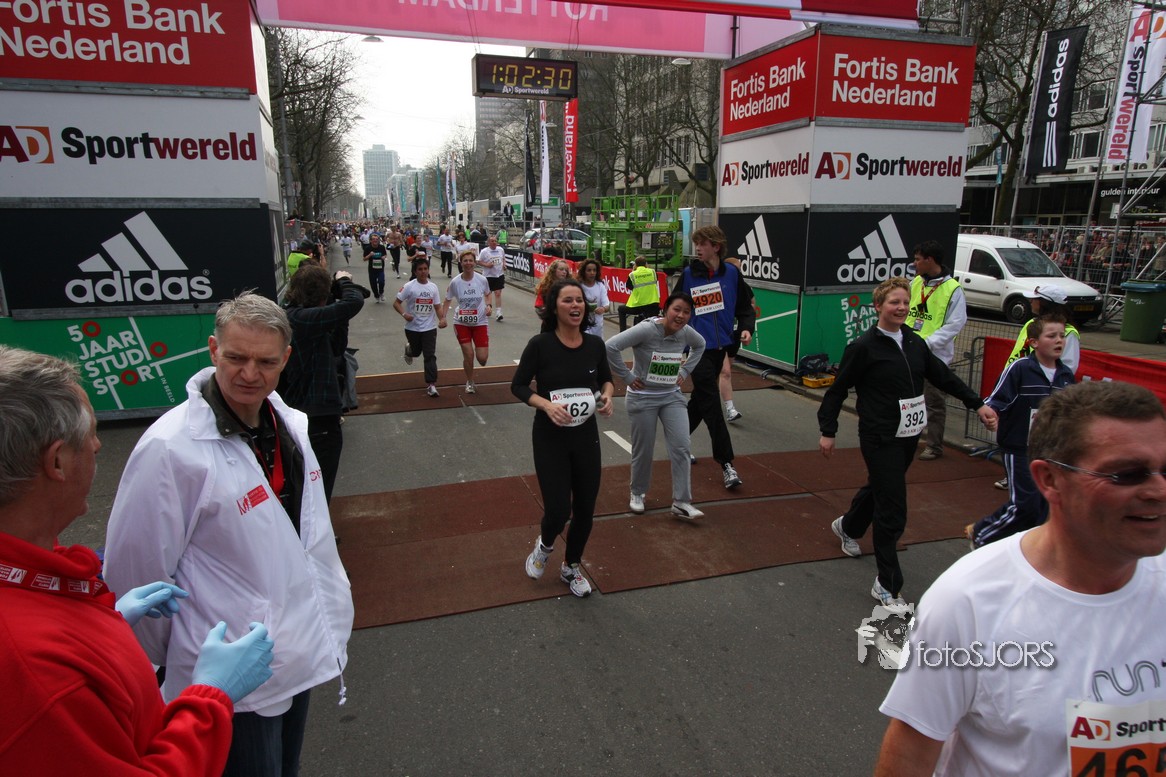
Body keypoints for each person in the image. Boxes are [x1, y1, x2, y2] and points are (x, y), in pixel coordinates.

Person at [102, 293, 354, 777]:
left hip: (297, 649)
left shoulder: (289, 423)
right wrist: (190, 655)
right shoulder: (170, 449)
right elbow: (137, 575)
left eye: (266, 362)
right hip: (229, 676)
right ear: (213, 349)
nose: (250, 374)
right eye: (236, 357)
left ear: (286, 358)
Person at [0, 346, 275, 776]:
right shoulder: (40, 673)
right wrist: (211, 694)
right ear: (56, 461)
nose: (98, 445)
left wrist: (102, 620)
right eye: (91, 434)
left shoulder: (32, 576)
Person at [874, 380, 1166, 777]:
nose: (1158, 490)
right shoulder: (966, 602)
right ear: (1049, 480)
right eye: (1127, 474)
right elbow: (909, 755)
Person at [818, 277, 997, 608]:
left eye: (905, 302)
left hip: (908, 435)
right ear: (878, 307)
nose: (901, 308)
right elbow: (837, 390)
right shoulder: (863, 347)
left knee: (882, 487)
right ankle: (887, 584)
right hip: (879, 436)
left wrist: (978, 403)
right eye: (894, 302)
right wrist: (828, 430)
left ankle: (848, 526)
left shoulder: (915, 342)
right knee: (893, 508)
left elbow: (943, 376)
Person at [512, 278, 615, 598]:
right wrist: (546, 405)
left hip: (586, 437)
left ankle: (571, 566)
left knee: (585, 509)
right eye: (568, 300)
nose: (575, 305)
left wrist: (607, 397)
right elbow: (518, 386)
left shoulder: (595, 345)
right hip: (550, 437)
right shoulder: (540, 345)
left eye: (579, 300)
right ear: (554, 307)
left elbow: (606, 380)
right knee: (558, 510)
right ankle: (544, 546)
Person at [966, 315, 1074, 547]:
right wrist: (991, 414)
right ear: (1034, 342)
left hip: (1050, 450)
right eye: (1051, 336)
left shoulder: (1065, 375)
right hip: (1019, 447)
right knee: (1025, 503)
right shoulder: (1021, 368)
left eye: (1062, 336)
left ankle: (1024, 548)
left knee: (1043, 505)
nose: (1059, 340)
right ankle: (982, 533)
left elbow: (1072, 412)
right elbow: (997, 398)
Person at [606, 293, 707, 519]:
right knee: (644, 449)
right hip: (642, 397)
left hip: (671, 396)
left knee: (682, 446)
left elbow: (700, 345)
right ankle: (637, 492)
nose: (681, 316)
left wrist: (684, 371)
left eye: (686, 312)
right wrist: (627, 377)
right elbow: (610, 347)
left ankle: (681, 502)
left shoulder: (686, 333)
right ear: (666, 309)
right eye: (676, 309)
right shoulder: (647, 329)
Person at [673, 227, 757, 490]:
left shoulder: (732, 273)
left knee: (701, 400)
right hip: (697, 349)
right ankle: (727, 464)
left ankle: (678, 440)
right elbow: (673, 308)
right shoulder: (689, 275)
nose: (697, 248)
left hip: (722, 348)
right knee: (711, 403)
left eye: (702, 244)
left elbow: (745, 307)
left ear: (716, 247)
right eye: (696, 244)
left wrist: (746, 328)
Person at [279, 265, 366, 502]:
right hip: (314, 415)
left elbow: (336, 348)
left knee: (313, 486)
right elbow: (354, 302)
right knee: (316, 488)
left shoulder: (301, 318)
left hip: (315, 412)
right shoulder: (298, 318)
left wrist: (340, 319)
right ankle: (314, 524)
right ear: (320, 293)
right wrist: (345, 282)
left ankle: (313, 521)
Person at [906, 240, 968, 461]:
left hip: (935, 356)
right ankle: (909, 438)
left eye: (917, 259)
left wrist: (927, 343)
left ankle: (934, 445)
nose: (914, 264)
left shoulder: (953, 289)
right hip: (910, 352)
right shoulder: (916, 282)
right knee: (909, 399)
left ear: (930, 260)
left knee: (934, 402)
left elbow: (955, 323)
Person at [394, 256, 447, 397]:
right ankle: (410, 350)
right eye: (420, 269)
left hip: (429, 328)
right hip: (412, 328)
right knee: (416, 352)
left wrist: (442, 319)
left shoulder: (433, 287)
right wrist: (405, 314)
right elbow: (396, 303)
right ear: (415, 271)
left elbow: (437, 306)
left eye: (425, 269)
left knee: (429, 355)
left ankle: (431, 384)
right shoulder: (409, 286)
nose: (423, 272)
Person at [442, 249, 492, 394]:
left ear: (475, 263)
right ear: (461, 263)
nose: (468, 263)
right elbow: (447, 300)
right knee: (469, 354)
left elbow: (488, 294)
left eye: (471, 260)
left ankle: (479, 359)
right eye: (465, 261)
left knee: (482, 359)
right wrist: (443, 317)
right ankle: (470, 381)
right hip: (461, 322)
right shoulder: (455, 282)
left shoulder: (482, 280)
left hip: (480, 322)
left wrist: (489, 306)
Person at [1006, 284, 1082, 373]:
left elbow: (1068, 367)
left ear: (1044, 303)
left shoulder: (1069, 332)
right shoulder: (1031, 323)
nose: (1031, 301)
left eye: (1035, 299)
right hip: (1016, 375)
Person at [618, 255, 661, 331]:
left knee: (621, 309)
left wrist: (633, 270)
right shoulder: (653, 272)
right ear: (646, 264)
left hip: (639, 306)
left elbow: (629, 286)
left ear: (635, 265)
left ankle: (622, 331)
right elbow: (655, 281)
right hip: (653, 305)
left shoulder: (633, 274)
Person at [577, 257, 610, 339]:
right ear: (584, 272)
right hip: (582, 323)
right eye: (589, 270)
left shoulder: (600, 286)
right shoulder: (578, 286)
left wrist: (603, 309)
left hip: (597, 325)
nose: (592, 273)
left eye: (594, 270)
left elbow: (607, 305)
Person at [478, 234, 507, 321]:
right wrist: (487, 265)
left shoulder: (500, 249)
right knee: (488, 294)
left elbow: (503, 258)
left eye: (495, 241)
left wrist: (504, 265)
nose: (494, 242)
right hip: (488, 276)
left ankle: (498, 313)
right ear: (488, 243)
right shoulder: (484, 251)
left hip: (499, 275)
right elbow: (479, 261)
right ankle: (488, 308)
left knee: (498, 293)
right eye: (492, 241)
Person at [362, 232, 387, 303]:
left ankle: (381, 292)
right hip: (372, 269)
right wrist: (370, 255)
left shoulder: (381, 247)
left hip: (380, 268)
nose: (375, 240)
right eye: (373, 239)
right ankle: (376, 295)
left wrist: (383, 257)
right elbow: (364, 259)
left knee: (381, 281)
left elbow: (385, 255)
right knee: (373, 284)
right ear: (370, 240)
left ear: (379, 240)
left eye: (377, 239)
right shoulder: (368, 248)